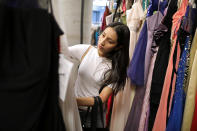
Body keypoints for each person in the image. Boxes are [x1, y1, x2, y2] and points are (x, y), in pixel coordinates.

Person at [67, 22, 130, 129]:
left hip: (90, 116)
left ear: (118, 47)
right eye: (103, 35)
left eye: (110, 41)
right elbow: (61, 51)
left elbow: (101, 99)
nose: (102, 41)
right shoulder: (87, 50)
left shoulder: (115, 68)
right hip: (73, 110)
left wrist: (72, 100)